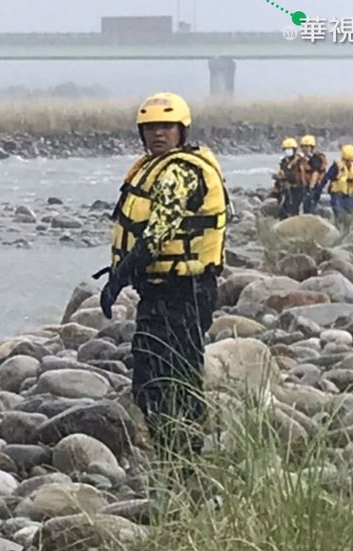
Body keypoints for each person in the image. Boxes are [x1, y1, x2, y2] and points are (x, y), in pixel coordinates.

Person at [95, 92, 227, 483]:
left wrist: (118, 279)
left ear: (181, 130)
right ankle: (173, 461)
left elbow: (157, 235)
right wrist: (121, 271)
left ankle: (184, 469)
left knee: (175, 379)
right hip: (161, 292)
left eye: (165, 127)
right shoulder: (156, 168)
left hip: (183, 292)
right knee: (151, 380)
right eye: (150, 128)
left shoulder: (179, 173)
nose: (157, 134)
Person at [315, 144, 353, 225]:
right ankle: (338, 231)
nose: (349, 163)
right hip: (337, 196)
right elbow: (326, 179)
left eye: (350, 160)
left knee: (351, 218)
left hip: (350, 196)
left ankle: (347, 232)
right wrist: (318, 192)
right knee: (340, 217)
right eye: (347, 160)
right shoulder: (337, 167)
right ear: (343, 159)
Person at [296, 134, 327, 214]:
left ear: (312, 148)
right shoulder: (301, 159)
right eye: (303, 147)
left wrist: (311, 189)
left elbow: (315, 173)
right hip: (303, 186)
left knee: (311, 205)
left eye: (307, 147)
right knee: (305, 206)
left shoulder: (316, 159)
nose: (305, 149)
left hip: (313, 187)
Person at [272, 137, 301, 218]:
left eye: (290, 149)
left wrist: (284, 177)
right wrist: (277, 184)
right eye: (286, 149)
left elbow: (297, 176)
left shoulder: (299, 161)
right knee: (283, 209)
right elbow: (281, 173)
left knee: (294, 208)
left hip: (296, 188)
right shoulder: (283, 162)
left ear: (294, 150)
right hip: (285, 188)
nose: (288, 151)